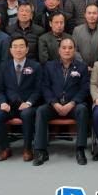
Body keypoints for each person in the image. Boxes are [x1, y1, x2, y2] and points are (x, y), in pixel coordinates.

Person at [33, 38, 90, 166]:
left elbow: (84, 89)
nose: (67, 50)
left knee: (82, 110)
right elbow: (45, 87)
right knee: (41, 110)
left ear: (74, 50)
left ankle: (80, 150)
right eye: (64, 48)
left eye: (70, 48)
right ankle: (41, 151)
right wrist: (54, 103)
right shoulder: (49, 66)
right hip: (54, 105)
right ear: (59, 50)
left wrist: (72, 103)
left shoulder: (82, 67)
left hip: (73, 106)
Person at [0, 36, 42, 162]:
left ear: (27, 49)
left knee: (27, 114)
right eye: (15, 47)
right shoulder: (4, 66)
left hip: (27, 105)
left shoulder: (35, 66)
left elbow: (38, 89)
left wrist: (29, 102)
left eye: (21, 46)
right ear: (10, 50)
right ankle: (5, 148)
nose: (18, 50)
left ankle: (27, 149)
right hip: (9, 105)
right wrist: (3, 102)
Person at [72, 4, 98, 70]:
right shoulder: (77, 30)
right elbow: (74, 50)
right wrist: (84, 65)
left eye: (94, 13)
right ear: (85, 15)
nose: (91, 15)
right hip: (80, 68)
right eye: (89, 13)